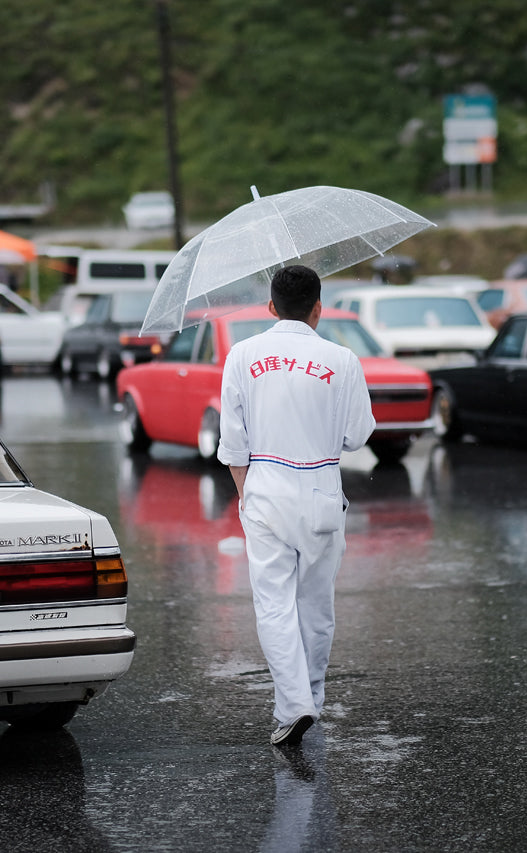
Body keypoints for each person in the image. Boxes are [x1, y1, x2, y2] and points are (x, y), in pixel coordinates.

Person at [217, 265, 375, 748]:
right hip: (323, 490)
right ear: (318, 309)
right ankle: (313, 697)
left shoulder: (242, 356)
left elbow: (233, 444)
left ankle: (294, 706)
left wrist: (246, 496)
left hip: (264, 488)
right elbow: (357, 435)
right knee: (316, 607)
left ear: (270, 307)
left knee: (274, 606)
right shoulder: (342, 359)